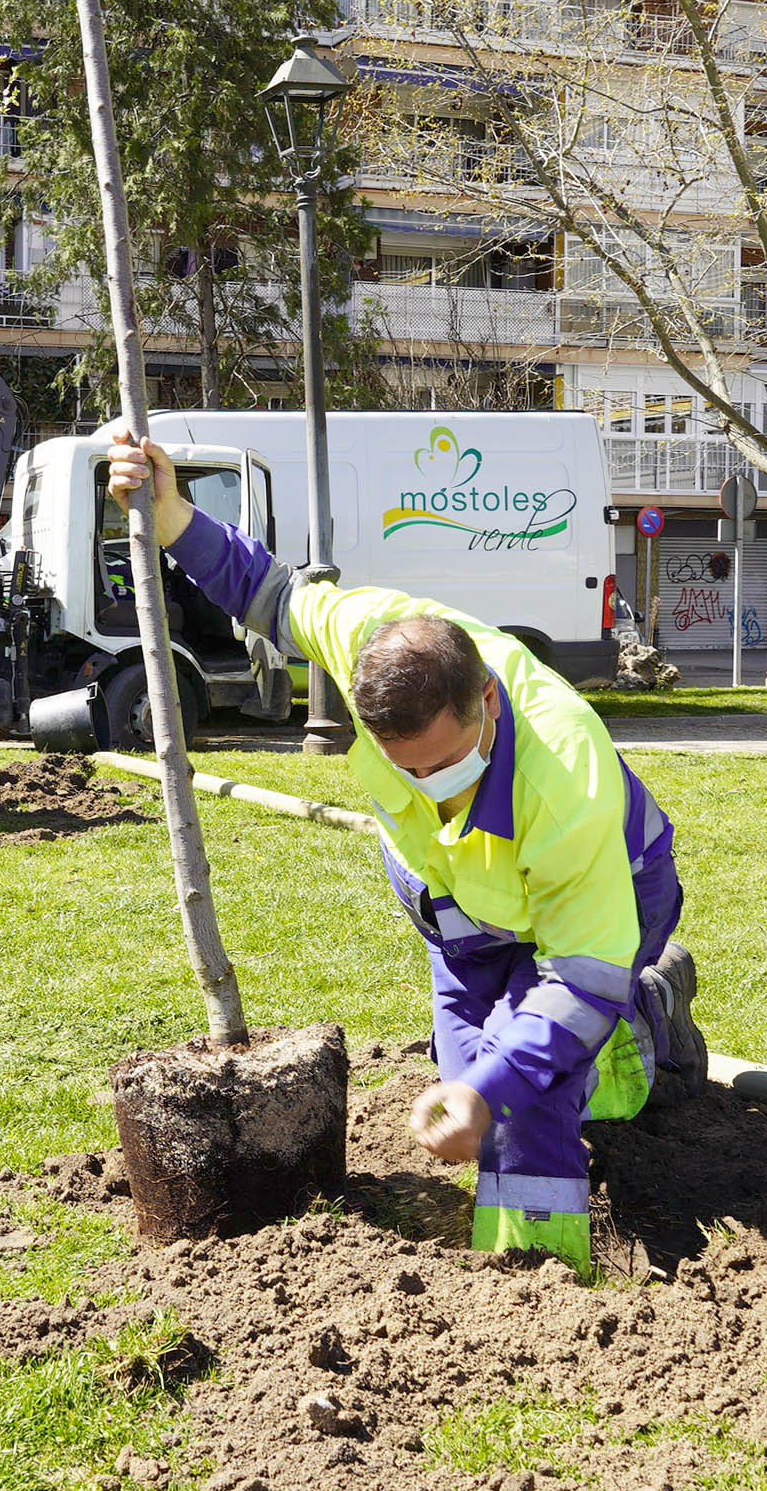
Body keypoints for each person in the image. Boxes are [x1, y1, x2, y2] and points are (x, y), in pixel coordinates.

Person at [102, 423, 705, 1275]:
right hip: (454, 893)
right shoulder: (367, 638)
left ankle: (539, 1284)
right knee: (473, 1072)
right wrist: (170, 515)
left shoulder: (563, 787)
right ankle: (592, 1065)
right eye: (407, 769)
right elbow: (267, 592)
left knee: (527, 1093)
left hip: (606, 900)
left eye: (449, 764)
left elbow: (580, 973)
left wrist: (494, 1088)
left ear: (488, 701)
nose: (435, 786)